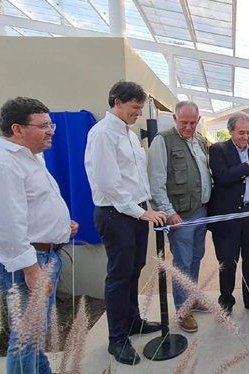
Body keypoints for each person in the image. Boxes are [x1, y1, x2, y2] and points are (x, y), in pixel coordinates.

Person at [0, 97, 78, 374]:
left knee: (34, 336)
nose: (51, 130)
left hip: (42, 256)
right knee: (26, 340)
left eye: (50, 124)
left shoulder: (29, 156)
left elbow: (31, 206)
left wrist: (61, 225)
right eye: (43, 125)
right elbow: (5, 225)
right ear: (17, 129)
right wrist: (31, 269)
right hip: (26, 262)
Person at [84, 81, 166, 365]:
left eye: (141, 108)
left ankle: (133, 321)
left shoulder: (129, 135)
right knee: (119, 276)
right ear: (117, 103)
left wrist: (147, 206)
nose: (139, 113)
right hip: (116, 214)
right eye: (135, 107)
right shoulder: (102, 134)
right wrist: (139, 212)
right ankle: (117, 339)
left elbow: (136, 178)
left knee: (134, 270)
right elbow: (108, 183)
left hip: (136, 212)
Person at [147, 100, 212, 332]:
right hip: (180, 216)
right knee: (182, 263)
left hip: (202, 211)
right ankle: (182, 310)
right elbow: (156, 181)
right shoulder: (162, 141)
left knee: (196, 258)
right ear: (175, 119)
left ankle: (192, 298)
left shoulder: (201, 142)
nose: (188, 127)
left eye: (193, 123)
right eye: (184, 122)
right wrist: (169, 212)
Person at [208, 112, 249, 314]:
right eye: (241, 132)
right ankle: (226, 302)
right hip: (228, 217)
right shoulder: (218, 150)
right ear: (230, 131)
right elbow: (223, 177)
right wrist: (246, 166)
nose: (245, 137)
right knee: (227, 262)